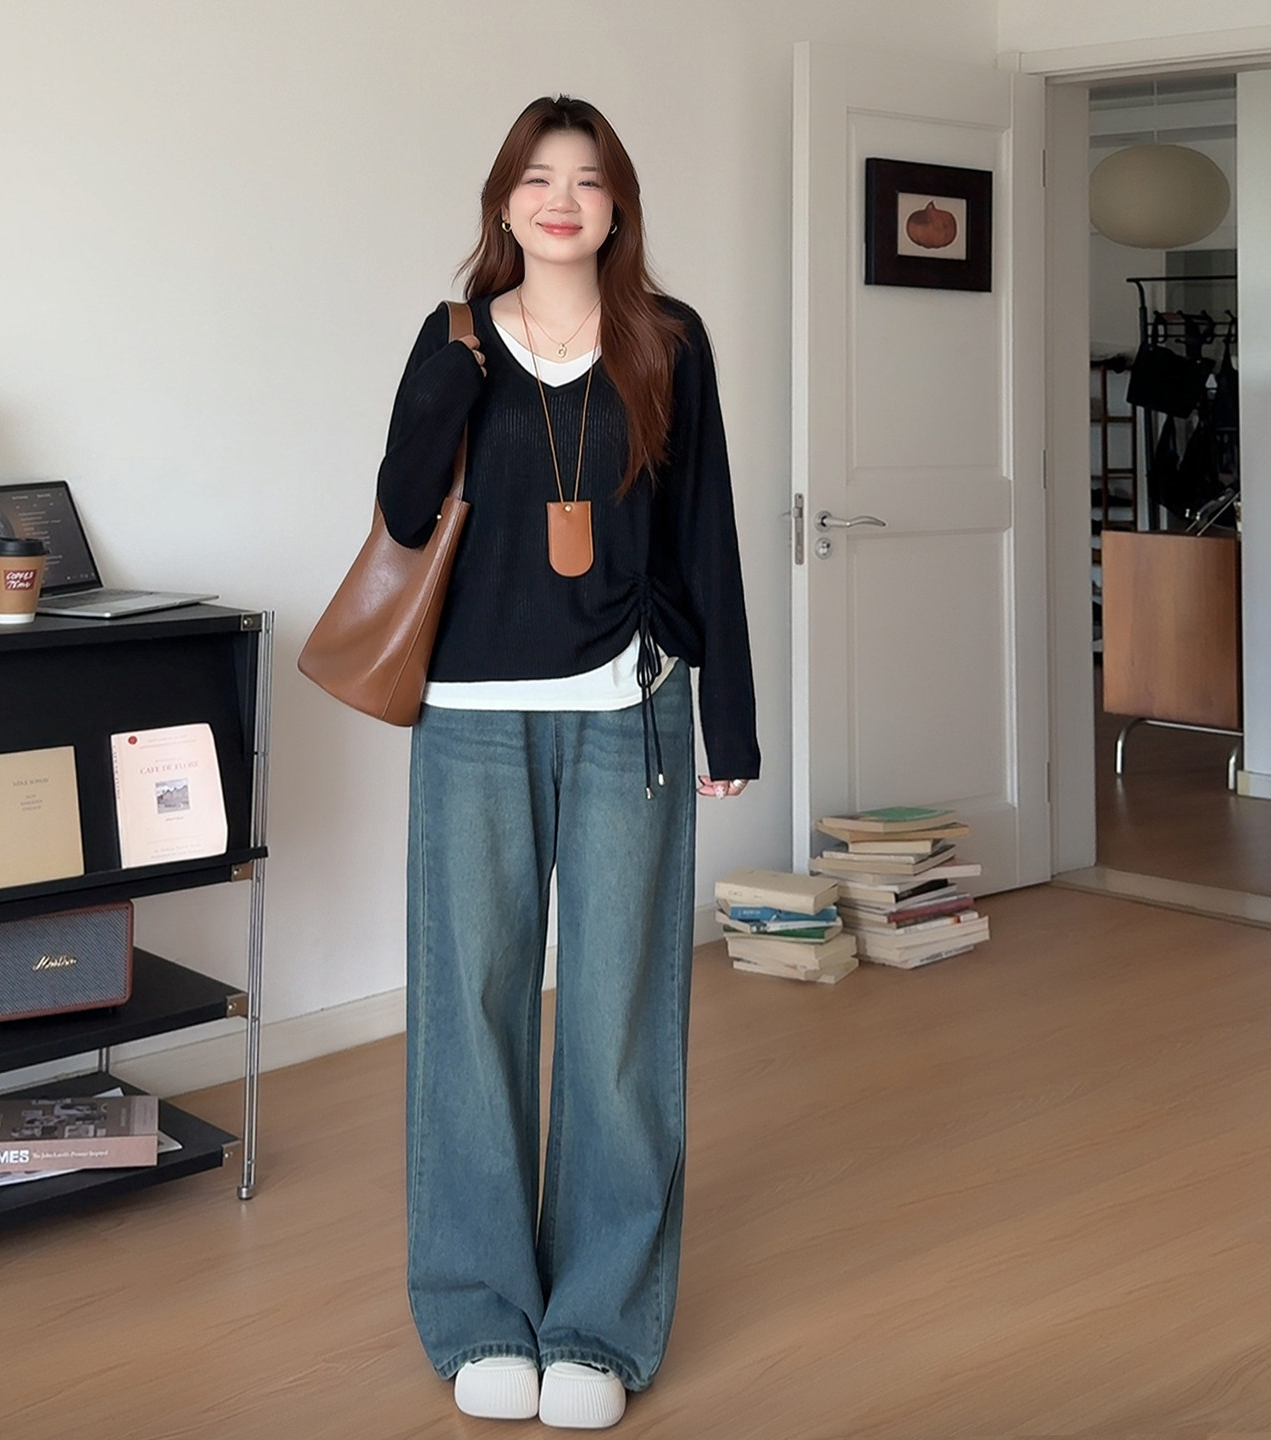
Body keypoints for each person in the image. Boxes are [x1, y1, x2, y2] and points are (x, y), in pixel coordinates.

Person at [376, 95, 759, 1430]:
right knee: (470, 1011)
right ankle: (481, 1309)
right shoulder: (454, 340)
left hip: (631, 709)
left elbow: (705, 527)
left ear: (616, 205)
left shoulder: (669, 340)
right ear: (503, 201)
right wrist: (455, 370)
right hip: (472, 715)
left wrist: (730, 720)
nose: (561, 200)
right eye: (537, 178)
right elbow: (402, 510)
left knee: (618, 1022)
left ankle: (599, 1323)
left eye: (587, 180)